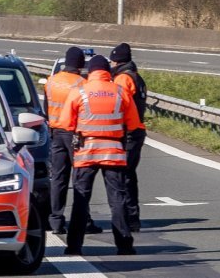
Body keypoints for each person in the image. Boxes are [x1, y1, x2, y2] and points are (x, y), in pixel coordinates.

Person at [59, 55, 141, 256]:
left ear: (91, 71)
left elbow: (65, 124)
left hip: (86, 151)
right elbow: (133, 124)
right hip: (113, 151)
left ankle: (74, 246)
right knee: (117, 199)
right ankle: (124, 245)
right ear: (107, 71)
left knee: (81, 199)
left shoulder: (79, 92)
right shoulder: (120, 92)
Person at [44, 46, 102, 235]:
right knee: (80, 179)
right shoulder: (81, 83)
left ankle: (55, 220)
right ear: (80, 64)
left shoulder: (51, 81)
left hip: (55, 133)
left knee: (58, 178)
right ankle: (83, 220)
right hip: (75, 134)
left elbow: (46, 109)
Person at [109, 42, 148, 232]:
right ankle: (132, 218)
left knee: (123, 177)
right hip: (137, 131)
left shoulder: (123, 79)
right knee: (129, 176)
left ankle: (128, 218)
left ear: (117, 61)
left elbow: (119, 104)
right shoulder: (135, 76)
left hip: (129, 133)